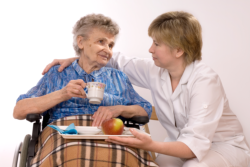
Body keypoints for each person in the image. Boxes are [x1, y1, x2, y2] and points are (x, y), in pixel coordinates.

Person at [43, 11, 250, 167]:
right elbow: (115, 60)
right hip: (179, 143)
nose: (150, 49)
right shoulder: (155, 70)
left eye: (157, 43)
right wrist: (77, 58)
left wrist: (148, 144)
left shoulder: (205, 81)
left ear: (179, 50)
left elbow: (193, 145)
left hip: (221, 146)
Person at [13, 14, 157, 167]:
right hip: (65, 136)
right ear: (81, 42)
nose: (107, 50)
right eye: (101, 41)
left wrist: (118, 109)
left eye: (111, 45)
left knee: (123, 157)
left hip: (109, 135)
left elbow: (145, 109)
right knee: (72, 155)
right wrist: (62, 94)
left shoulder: (118, 77)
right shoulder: (57, 73)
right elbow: (19, 110)